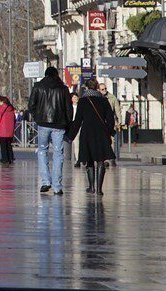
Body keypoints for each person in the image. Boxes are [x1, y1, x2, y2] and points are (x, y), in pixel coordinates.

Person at [65, 78, 116, 196]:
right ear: (97, 87)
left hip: (87, 132)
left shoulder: (83, 101)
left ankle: (92, 186)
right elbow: (110, 119)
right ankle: (99, 189)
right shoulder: (104, 100)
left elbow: (77, 120)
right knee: (101, 160)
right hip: (101, 133)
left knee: (89, 160)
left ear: (86, 88)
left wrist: (70, 136)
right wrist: (109, 132)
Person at [28, 66, 73, 195]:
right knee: (58, 154)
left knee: (42, 150)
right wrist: (68, 123)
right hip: (59, 125)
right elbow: (69, 108)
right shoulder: (63, 88)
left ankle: (45, 181)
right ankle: (57, 186)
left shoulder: (38, 86)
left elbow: (31, 105)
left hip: (43, 123)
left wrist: (37, 117)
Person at [99, 83, 121, 166]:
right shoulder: (97, 98)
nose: (104, 91)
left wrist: (119, 121)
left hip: (111, 123)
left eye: (105, 89)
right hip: (101, 123)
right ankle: (104, 158)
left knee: (111, 140)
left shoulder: (112, 97)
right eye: (102, 89)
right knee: (102, 141)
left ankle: (110, 158)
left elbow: (117, 110)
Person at [0, 96, 16, 165]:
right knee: (9, 145)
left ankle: (5, 159)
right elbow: (14, 120)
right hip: (10, 131)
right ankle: (10, 158)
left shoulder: (0, 109)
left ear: (2, 101)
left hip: (2, 130)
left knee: (3, 146)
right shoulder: (11, 109)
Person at [70, 92, 82, 168]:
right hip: (74, 125)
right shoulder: (69, 107)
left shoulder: (81, 107)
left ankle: (83, 159)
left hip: (81, 125)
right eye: (74, 97)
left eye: (76, 97)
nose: (76, 98)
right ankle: (78, 160)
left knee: (82, 142)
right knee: (76, 143)